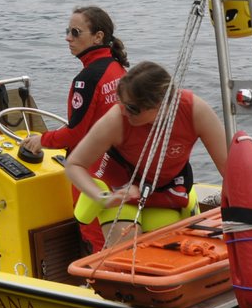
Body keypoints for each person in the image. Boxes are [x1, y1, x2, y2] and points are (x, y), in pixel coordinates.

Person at [64, 61, 229, 247]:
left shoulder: (195, 111)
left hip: (164, 189)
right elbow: (74, 164)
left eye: (133, 108)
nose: (124, 111)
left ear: (161, 105)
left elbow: (230, 170)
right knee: (125, 253)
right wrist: (103, 197)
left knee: (166, 255)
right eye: (121, 102)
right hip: (120, 189)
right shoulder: (117, 119)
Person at [17, 5, 128, 250]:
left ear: (98, 37)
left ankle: (97, 282)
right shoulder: (117, 69)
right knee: (116, 230)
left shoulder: (86, 79)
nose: (68, 38)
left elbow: (76, 133)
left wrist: (41, 140)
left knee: (94, 234)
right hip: (118, 167)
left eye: (75, 32)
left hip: (91, 170)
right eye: (67, 31)